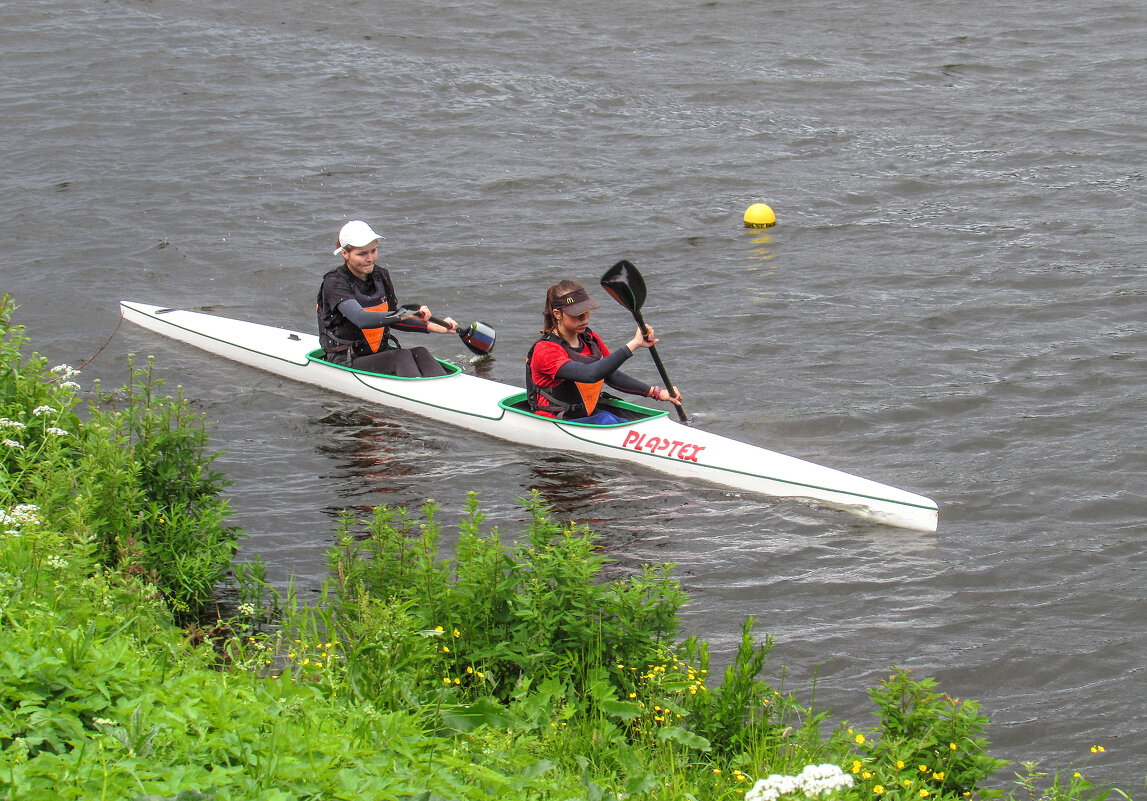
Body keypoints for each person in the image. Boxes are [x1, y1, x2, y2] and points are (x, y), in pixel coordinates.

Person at [526, 279, 683, 424]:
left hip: (587, 415)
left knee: (617, 419)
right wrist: (634, 344)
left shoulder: (589, 338)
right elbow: (590, 374)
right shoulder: (545, 350)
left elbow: (610, 374)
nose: (584, 318)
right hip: (559, 420)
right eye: (576, 314)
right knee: (607, 419)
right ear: (557, 314)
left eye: (586, 311)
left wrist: (656, 393)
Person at [317, 220, 458, 377]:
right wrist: (406, 314)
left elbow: (392, 318)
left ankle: (443, 392)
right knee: (401, 356)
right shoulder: (335, 283)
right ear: (345, 254)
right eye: (362, 254)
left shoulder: (381, 276)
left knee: (420, 352)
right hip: (345, 359)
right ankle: (415, 395)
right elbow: (360, 318)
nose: (370, 258)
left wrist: (435, 327)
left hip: (377, 354)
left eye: (373, 251)